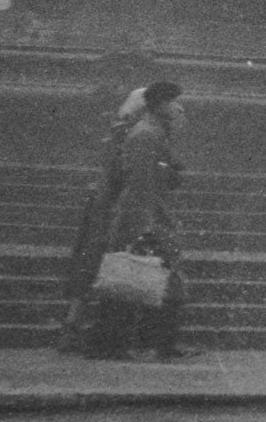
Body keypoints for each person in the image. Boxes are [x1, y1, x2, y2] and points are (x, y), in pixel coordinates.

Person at [69, 82, 196, 361]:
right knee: (127, 281)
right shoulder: (145, 136)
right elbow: (138, 186)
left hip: (152, 215)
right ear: (160, 104)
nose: (178, 107)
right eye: (173, 102)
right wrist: (144, 227)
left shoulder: (156, 134)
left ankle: (157, 344)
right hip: (143, 218)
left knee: (160, 280)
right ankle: (113, 344)